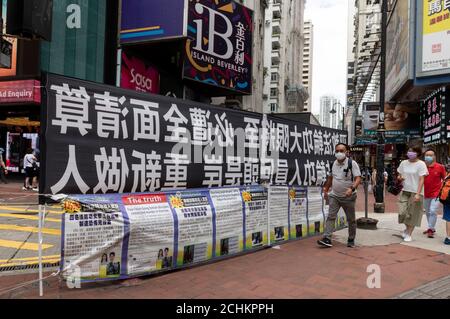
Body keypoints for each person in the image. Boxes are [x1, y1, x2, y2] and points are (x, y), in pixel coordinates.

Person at [318, 143, 362, 248]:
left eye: (342, 151)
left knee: (351, 219)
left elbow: (358, 178)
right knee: (331, 216)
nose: (339, 153)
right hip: (335, 195)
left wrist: (351, 189)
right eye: (337, 151)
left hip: (349, 197)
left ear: (347, 152)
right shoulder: (333, 163)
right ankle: (327, 238)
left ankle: (351, 239)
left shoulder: (352, 163)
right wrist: (326, 190)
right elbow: (330, 178)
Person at [397, 146, 428, 242]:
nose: (410, 153)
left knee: (413, 214)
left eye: (413, 151)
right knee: (402, 212)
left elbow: (422, 179)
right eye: (409, 151)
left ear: (418, 153)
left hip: (416, 192)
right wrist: (400, 178)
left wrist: (418, 194)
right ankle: (406, 229)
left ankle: (409, 234)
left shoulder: (421, 164)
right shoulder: (403, 163)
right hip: (405, 190)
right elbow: (399, 174)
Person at [423, 150, 446, 238]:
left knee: (432, 210)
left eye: (430, 155)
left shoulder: (440, 167)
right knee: (428, 212)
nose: (428, 156)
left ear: (434, 157)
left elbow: (445, 179)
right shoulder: (423, 166)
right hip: (425, 193)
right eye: (427, 155)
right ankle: (431, 227)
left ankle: (430, 229)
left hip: (436, 193)